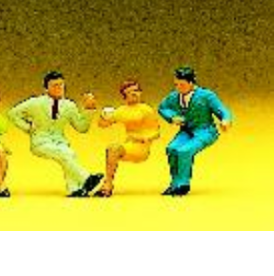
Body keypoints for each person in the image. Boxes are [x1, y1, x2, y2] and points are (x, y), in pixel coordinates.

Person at [8, 71, 103, 197]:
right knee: (63, 154)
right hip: (41, 141)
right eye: (54, 85)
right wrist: (28, 128)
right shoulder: (35, 103)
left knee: (69, 155)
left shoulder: (69, 105)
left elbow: (81, 128)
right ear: (46, 88)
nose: (59, 88)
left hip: (60, 141)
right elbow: (13, 114)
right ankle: (86, 178)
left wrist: (89, 110)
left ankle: (74, 189)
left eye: (61, 85)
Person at [159, 67, 233, 197]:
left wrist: (225, 120)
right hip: (186, 130)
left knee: (185, 151)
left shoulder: (206, 96)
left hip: (205, 131)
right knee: (171, 149)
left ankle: (183, 184)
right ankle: (174, 183)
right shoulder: (174, 96)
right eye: (176, 84)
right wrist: (172, 117)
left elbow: (222, 109)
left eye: (182, 85)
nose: (178, 88)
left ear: (191, 83)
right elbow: (163, 107)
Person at [97, 80, 161, 197]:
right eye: (130, 92)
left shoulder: (146, 110)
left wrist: (144, 138)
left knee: (114, 148)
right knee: (112, 148)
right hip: (129, 145)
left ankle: (107, 184)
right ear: (124, 95)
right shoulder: (122, 110)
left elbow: (156, 133)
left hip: (141, 148)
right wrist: (103, 115)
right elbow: (103, 124)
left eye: (136, 91)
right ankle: (108, 184)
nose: (134, 94)